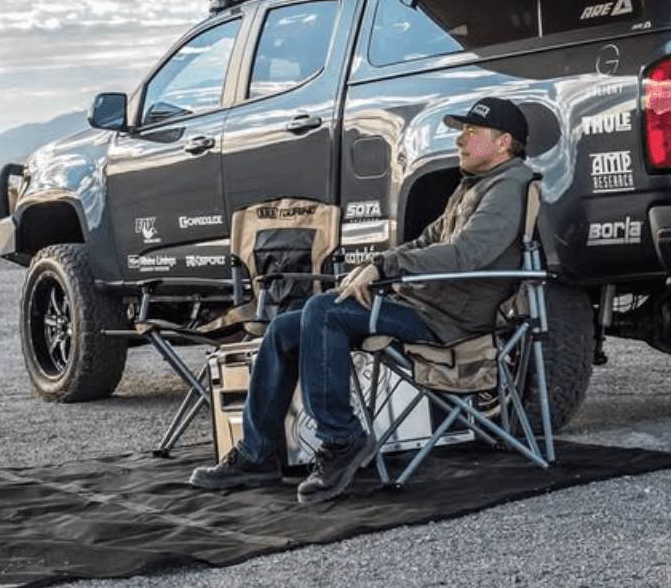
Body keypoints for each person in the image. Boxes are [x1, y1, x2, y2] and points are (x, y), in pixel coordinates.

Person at [190, 96, 534, 503]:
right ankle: (258, 453)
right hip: (421, 303)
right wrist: (375, 265)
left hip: (449, 321)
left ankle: (342, 439)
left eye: (472, 132)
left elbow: (466, 254)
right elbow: (428, 241)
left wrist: (385, 268)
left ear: (503, 142)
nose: (460, 140)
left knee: (324, 312)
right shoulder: (473, 186)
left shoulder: (509, 187)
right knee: (285, 327)